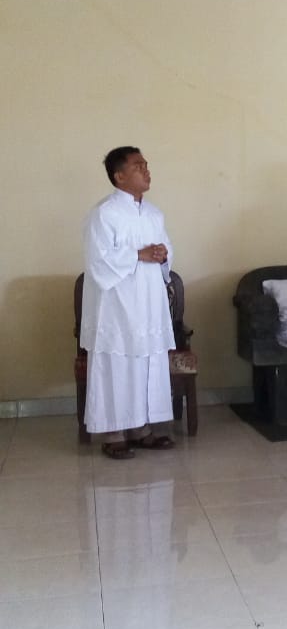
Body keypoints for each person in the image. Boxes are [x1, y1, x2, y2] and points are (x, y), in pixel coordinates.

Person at [81, 146, 176, 459]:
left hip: (148, 303)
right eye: (138, 166)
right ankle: (114, 433)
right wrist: (138, 254)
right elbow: (97, 262)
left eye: (146, 164)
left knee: (146, 362)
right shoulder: (104, 213)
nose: (146, 170)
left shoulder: (154, 214)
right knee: (117, 365)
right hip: (117, 306)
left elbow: (165, 253)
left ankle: (142, 429)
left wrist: (162, 254)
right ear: (119, 176)